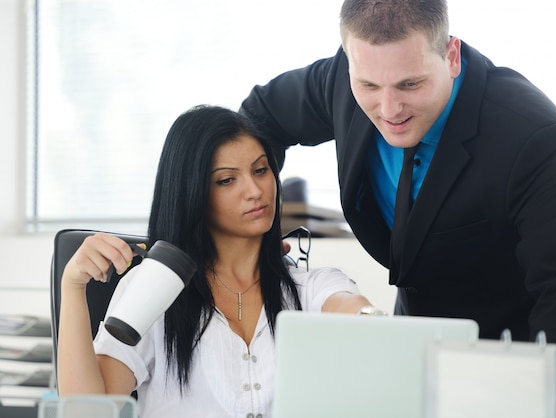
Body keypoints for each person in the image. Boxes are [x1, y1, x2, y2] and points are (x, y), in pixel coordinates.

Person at [240, 0, 556, 416]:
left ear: (451, 56)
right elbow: (258, 119)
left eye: (410, 85)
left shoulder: (533, 139)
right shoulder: (344, 78)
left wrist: (551, 404)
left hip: (524, 350)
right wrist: (254, 231)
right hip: (424, 339)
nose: (389, 111)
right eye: (368, 86)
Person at [56, 105, 376, 417]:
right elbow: (86, 412)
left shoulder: (313, 287)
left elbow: (350, 309)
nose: (254, 190)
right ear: (191, 193)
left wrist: (367, 318)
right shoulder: (152, 294)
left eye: (261, 170)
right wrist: (73, 285)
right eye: (226, 180)